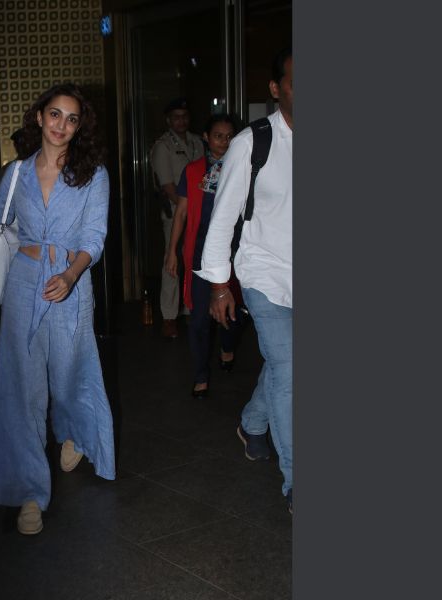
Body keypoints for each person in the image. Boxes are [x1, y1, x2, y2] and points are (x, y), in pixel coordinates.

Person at [0, 83, 116, 535]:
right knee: (21, 388)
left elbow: (94, 238)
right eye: (55, 114)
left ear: (79, 127)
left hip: (70, 282)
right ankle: (28, 492)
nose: (62, 125)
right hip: (24, 282)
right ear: (40, 116)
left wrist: (71, 276)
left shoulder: (92, 175)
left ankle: (75, 431)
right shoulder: (16, 174)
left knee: (68, 376)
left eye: (72, 118)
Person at [195, 48, 293, 514]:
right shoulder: (252, 142)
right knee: (291, 370)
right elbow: (222, 217)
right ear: (275, 88)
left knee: (284, 365)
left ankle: (253, 423)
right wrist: (219, 285)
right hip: (263, 272)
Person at [165, 114, 242, 398]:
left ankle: (228, 346)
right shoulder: (193, 170)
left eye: (229, 136)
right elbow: (181, 213)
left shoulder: (242, 168)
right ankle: (200, 374)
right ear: (207, 138)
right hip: (199, 253)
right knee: (198, 319)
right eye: (218, 136)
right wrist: (172, 251)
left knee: (233, 314)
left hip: (233, 253)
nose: (224, 141)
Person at [150, 98, 205, 338]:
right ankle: (169, 316)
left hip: (200, 212)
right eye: (176, 117)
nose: (181, 121)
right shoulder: (163, 146)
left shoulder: (198, 141)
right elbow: (168, 186)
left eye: (184, 116)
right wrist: (187, 211)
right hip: (176, 213)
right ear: (168, 120)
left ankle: (190, 307)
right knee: (172, 261)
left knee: (194, 259)